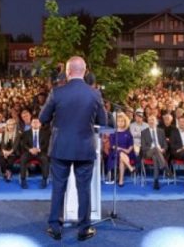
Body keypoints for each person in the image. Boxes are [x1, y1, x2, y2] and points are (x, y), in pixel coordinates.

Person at [39, 56, 106, 242]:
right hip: (85, 148)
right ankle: (84, 229)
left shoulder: (57, 93)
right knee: (84, 189)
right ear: (85, 71)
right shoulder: (95, 94)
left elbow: (43, 118)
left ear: (67, 72)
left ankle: (55, 227)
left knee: (58, 187)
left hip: (61, 147)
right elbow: (104, 121)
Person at [140, 114, 171, 190]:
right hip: (148, 152)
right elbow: (143, 147)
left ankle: (156, 181)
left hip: (160, 153)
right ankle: (166, 168)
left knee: (155, 157)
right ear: (147, 122)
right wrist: (155, 148)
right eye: (149, 120)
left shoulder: (161, 131)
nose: (151, 121)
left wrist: (163, 149)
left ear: (156, 122)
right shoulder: (144, 132)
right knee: (155, 149)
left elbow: (165, 144)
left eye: (153, 120)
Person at [19, 118, 49, 189]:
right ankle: (23, 179)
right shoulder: (26, 133)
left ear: (40, 124)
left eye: (37, 122)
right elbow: (23, 144)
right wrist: (30, 149)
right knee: (23, 158)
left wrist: (39, 149)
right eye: (33, 122)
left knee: (45, 159)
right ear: (31, 124)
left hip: (40, 151)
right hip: (29, 151)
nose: (35, 123)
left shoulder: (45, 133)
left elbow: (46, 144)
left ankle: (44, 179)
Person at [107, 112, 136, 187]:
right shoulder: (113, 132)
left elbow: (131, 145)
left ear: (125, 122)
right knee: (120, 153)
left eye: (122, 121)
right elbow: (112, 145)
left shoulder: (128, 133)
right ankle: (130, 168)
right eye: (118, 121)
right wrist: (123, 150)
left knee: (121, 160)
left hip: (128, 153)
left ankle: (121, 181)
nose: (120, 123)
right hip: (114, 153)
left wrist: (128, 150)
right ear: (116, 122)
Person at [0, 118, 21, 182]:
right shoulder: (4, 133)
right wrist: (4, 151)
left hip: (14, 151)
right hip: (5, 151)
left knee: (10, 160)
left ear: (14, 125)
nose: (10, 126)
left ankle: (8, 173)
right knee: (1, 159)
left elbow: (15, 146)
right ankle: (6, 172)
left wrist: (9, 152)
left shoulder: (18, 134)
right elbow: (2, 144)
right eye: (9, 125)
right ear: (7, 125)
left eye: (12, 125)